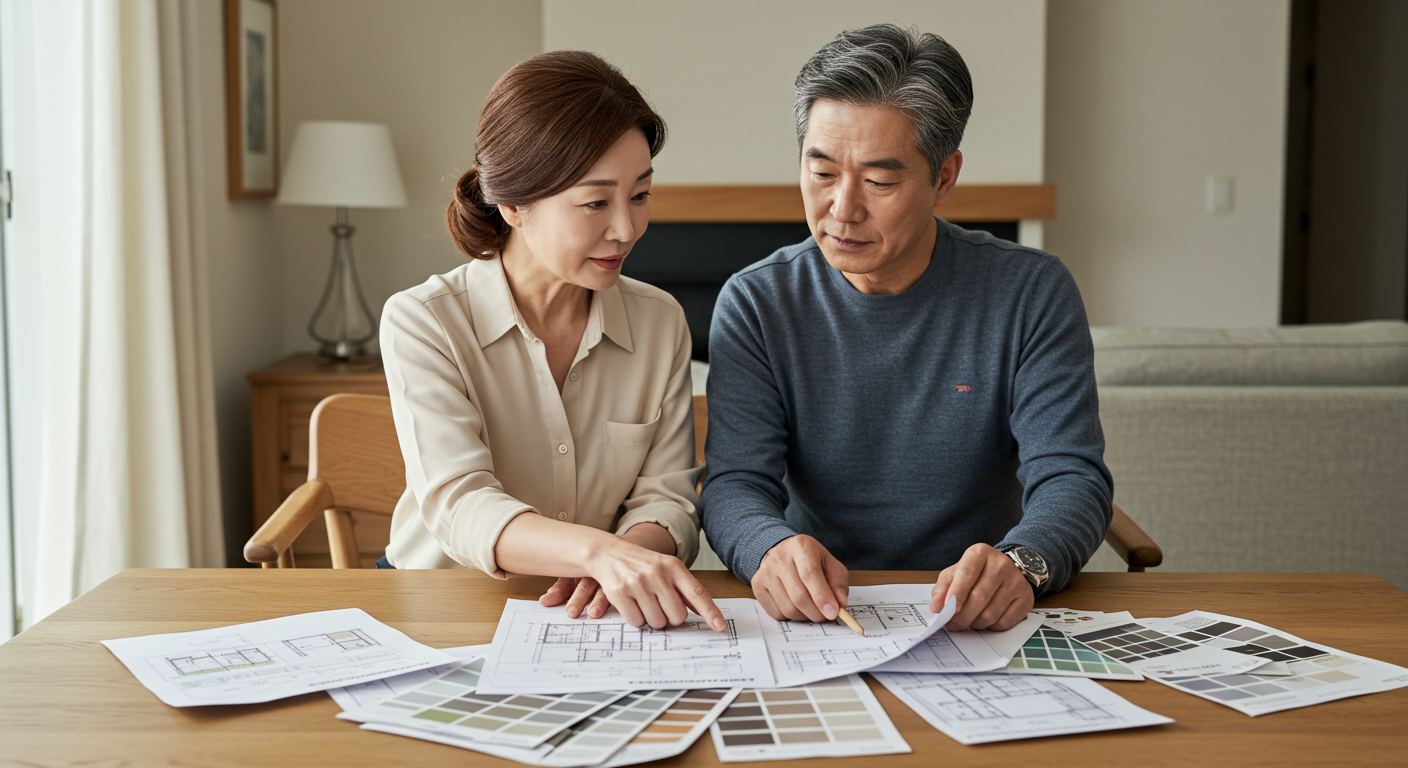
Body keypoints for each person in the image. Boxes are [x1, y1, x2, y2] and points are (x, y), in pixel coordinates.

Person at [700, 24, 1113, 633]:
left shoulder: (1030, 291)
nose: (842, 208)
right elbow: (734, 482)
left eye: (879, 181)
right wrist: (767, 547)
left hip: (973, 615)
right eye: (820, 173)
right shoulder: (758, 300)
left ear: (944, 177)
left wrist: (1023, 563)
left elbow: (1071, 476)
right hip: (824, 617)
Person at [379, 50, 725, 633]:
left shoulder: (659, 322)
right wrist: (599, 553)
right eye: (595, 203)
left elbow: (667, 498)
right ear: (513, 203)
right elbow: (461, 502)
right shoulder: (423, 321)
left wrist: (626, 561)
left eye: (640, 196)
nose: (626, 229)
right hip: (442, 608)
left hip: (596, 614)